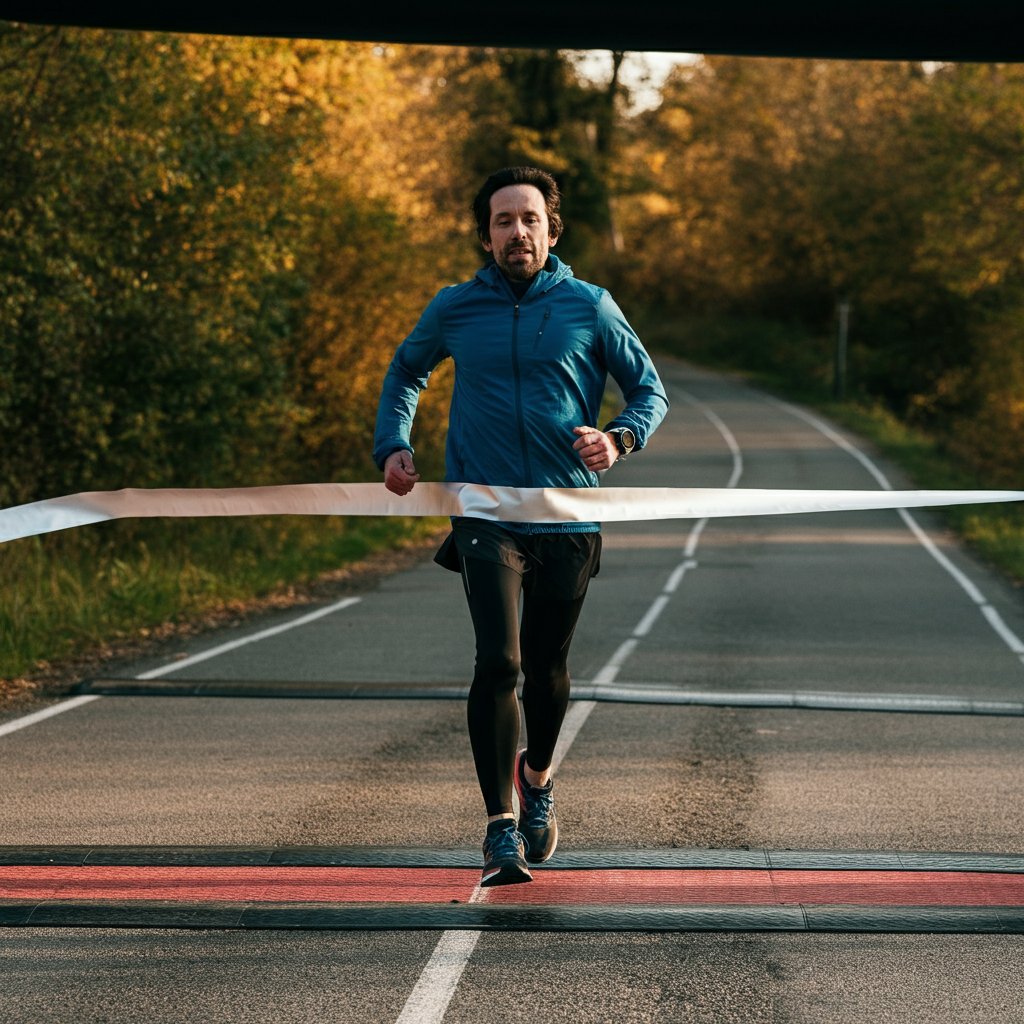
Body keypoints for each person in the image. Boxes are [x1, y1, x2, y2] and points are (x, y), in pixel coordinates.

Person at [374, 166, 667, 886]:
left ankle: (536, 775)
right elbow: (406, 371)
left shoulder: (589, 306)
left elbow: (649, 390)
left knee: (546, 670)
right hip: (484, 512)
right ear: (485, 236)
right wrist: (393, 443)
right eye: (503, 221)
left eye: (529, 219)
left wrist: (619, 438)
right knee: (497, 662)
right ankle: (499, 826)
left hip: (567, 513)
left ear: (552, 230)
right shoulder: (454, 308)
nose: (517, 232)